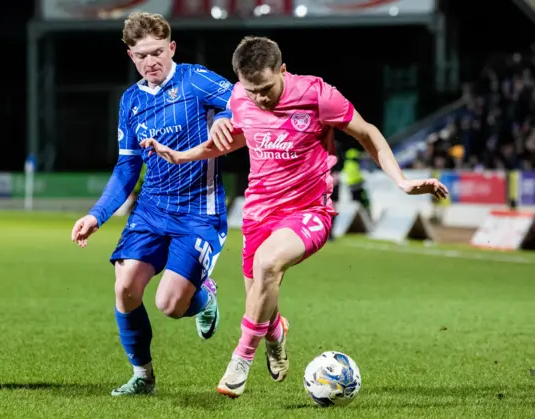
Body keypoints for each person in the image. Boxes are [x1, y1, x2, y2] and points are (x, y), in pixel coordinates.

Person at [140, 36, 449, 398]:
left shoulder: (318, 95)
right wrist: (178, 156)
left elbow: (369, 134)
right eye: (251, 90)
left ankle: (241, 359)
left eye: (266, 88)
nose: (259, 98)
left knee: (268, 265)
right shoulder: (240, 98)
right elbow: (232, 140)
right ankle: (275, 333)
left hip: (309, 211)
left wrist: (402, 182)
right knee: (260, 296)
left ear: (283, 71)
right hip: (258, 213)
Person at [70, 12, 235, 396]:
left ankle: (203, 296)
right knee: (125, 287)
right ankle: (142, 376)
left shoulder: (195, 79)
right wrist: (97, 214)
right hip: (150, 210)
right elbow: (127, 167)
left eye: (158, 52)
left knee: (170, 305)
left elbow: (240, 102)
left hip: (199, 211)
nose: (151, 62)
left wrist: (223, 120)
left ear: (171, 47)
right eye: (142, 55)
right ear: (131, 56)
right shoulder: (130, 102)